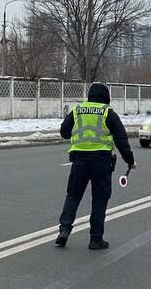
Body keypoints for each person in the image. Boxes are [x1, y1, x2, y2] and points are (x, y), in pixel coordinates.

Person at [55, 82, 135, 249]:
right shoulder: (108, 113)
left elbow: (64, 132)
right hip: (101, 162)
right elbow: (121, 140)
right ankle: (96, 240)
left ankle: (64, 230)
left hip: (79, 161)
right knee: (99, 200)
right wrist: (130, 161)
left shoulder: (77, 110)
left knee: (73, 196)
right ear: (106, 97)